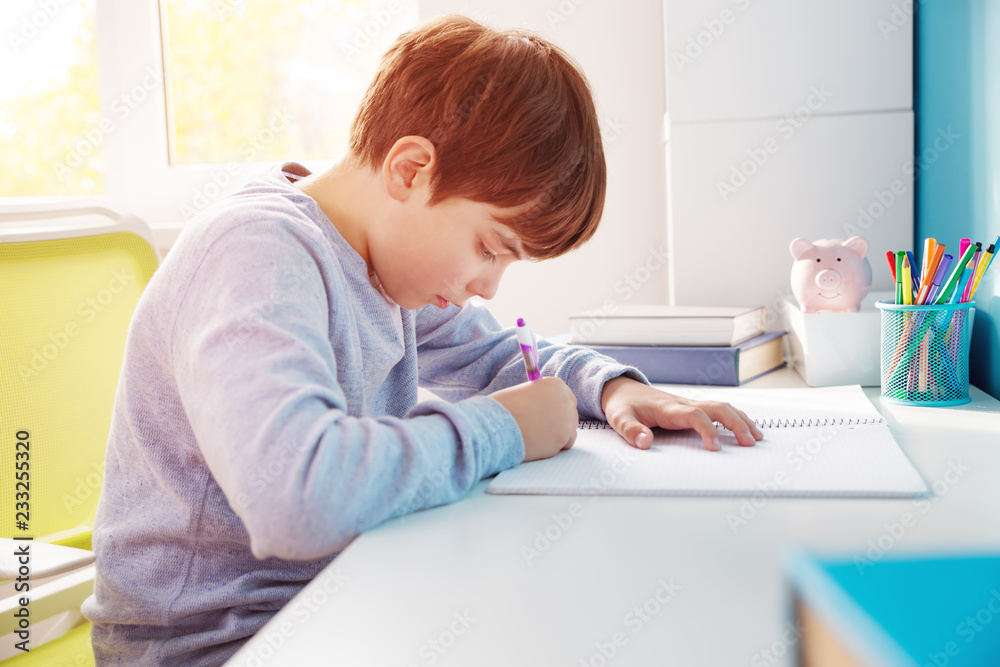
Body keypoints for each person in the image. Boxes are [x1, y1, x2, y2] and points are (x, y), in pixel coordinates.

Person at [81, 14, 762, 665]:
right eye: (490, 247)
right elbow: (297, 497)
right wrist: (502, 429)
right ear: (410, 169)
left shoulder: (383, 266)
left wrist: (609, 385)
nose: (489, 285)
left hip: (338, 604)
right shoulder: (256, 254)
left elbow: (501, 354)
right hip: (224, 647)